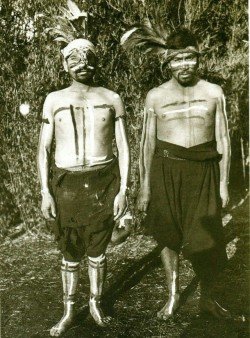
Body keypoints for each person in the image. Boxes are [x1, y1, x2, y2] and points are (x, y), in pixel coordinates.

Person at [122, 26, 231, 320]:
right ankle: (173, 296)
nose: (184, 65)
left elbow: (223, 140)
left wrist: (222, 185)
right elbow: (147, 145)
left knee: (208, 241)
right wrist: (145, 187)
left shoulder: (213, 92)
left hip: (204, 170)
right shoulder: (155, 97)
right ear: (167, 62)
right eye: (177, 60)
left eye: (189, 58)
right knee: (169, 236)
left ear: (198, 59)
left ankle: (208, 299)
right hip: (167, 170)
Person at [37, 3, 130, 336]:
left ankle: (95, 304)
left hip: (103, 181)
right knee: (70, 249)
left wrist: (123, 190)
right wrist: (46, 191)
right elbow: (43, 148)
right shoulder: (53, 99)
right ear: (64, 65)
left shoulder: (111, 97)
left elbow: (124, 146)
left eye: (88, 58)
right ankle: (68, 310)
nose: (82, 65)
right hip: (66, 183)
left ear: (96, 61)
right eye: (74, 59)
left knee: (99, 247)